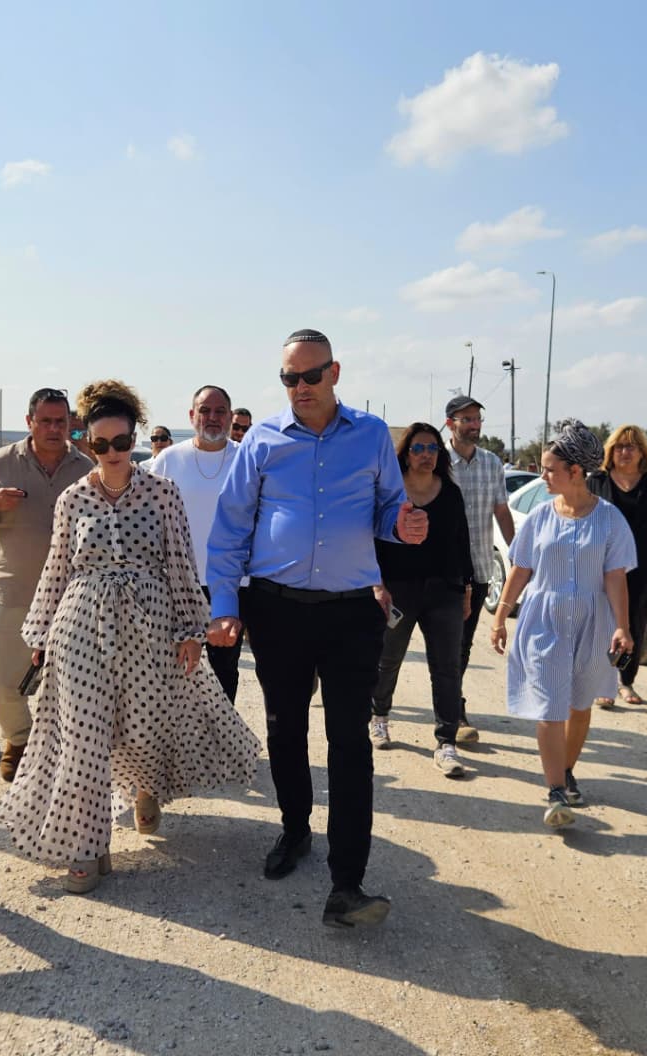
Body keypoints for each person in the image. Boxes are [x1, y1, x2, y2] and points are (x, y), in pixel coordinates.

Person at [0, 381, 260, 893]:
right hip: (80, 625)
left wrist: (190, 630)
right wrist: (41, 634)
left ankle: (145, 788)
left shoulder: (162, 492)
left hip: (149, 625)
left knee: (141, 726)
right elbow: (58, 567)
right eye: (100, 444)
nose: (112, 452)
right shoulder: (73, 498)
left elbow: (181, 563)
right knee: (83, 739)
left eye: (121, 442)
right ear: (88, 444)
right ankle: (87, 846)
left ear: (133, 441)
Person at [207, 328, 427, 929]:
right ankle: (295, 828)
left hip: (352, 611)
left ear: (334, 372)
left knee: (350, 740)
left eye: (310, 375)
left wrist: (401, 524)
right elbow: (230, 528)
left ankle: (347, 882)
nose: (299, 387)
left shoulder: (372, 435)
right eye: (289, 378)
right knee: (285, 728)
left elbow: (387, 506)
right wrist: (224, 604)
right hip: (276, 609)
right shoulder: (262, 441)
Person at [489, 420, 636, 828]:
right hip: (544, 621)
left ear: (575, 472)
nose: (543, 477)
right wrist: (500, 616)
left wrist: (622, 626)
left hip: (592, 621)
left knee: (579, 704)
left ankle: (566, 770)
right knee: (550, 706)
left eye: (549, 469)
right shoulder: (539, 517)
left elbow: (615, 577)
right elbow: (521, 568)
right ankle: (555, 790)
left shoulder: (610, 520)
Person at [0, 389, 94, 781]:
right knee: (2, 679)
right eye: (45, 421)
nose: (54, 429)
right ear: (30, 422)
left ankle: (59, 752)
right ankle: (18, 740)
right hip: (12, 589)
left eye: (61, 422)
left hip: (70, 598)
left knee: (70, 684)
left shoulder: (84, 468)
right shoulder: (1, 462)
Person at [370, 424, 474, 776]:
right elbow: (373, 540)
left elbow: (461, 543)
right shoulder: (390, 491)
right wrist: (378, 585)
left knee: (446, 667)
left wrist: (466, 588)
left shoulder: (451, 493)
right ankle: (379, 717)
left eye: (432, 448)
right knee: (388, 659)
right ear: (406, 453)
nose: (426, 455)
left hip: (444, 590)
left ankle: (446, 742)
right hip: (398, 589)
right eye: (418, 448)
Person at [147, 384, 245, 703]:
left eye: (220, 411)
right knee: (175, 668)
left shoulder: (247, 458)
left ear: (230, 417)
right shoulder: (168, 460)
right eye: (204, 410)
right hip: (178, 584)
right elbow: (149, 519)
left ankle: (222, 734)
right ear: (192, 415)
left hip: (231, 584)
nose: (212, 417)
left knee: (223, 670)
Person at [445, 395, 514, 743]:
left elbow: (501, 511)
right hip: (440, 569)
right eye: (467, 419)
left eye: (477, 419)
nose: (474, 425)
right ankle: (380, 706)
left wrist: (519, 554)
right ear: (450, 424)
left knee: (462, 645)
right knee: (421, 643)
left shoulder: (491, 463)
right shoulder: (436, 461)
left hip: (479, 569)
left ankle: (453, 710)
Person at [587, 425, 647, 707]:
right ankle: (603, 681)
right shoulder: (596, 481)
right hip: (601, 564)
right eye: (619, 446)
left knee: (634, 621)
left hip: (643, 566)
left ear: (642, 452)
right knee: (602, 620)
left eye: (631, 446)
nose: (625, 452)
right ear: (610, 451)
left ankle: (625, 680)